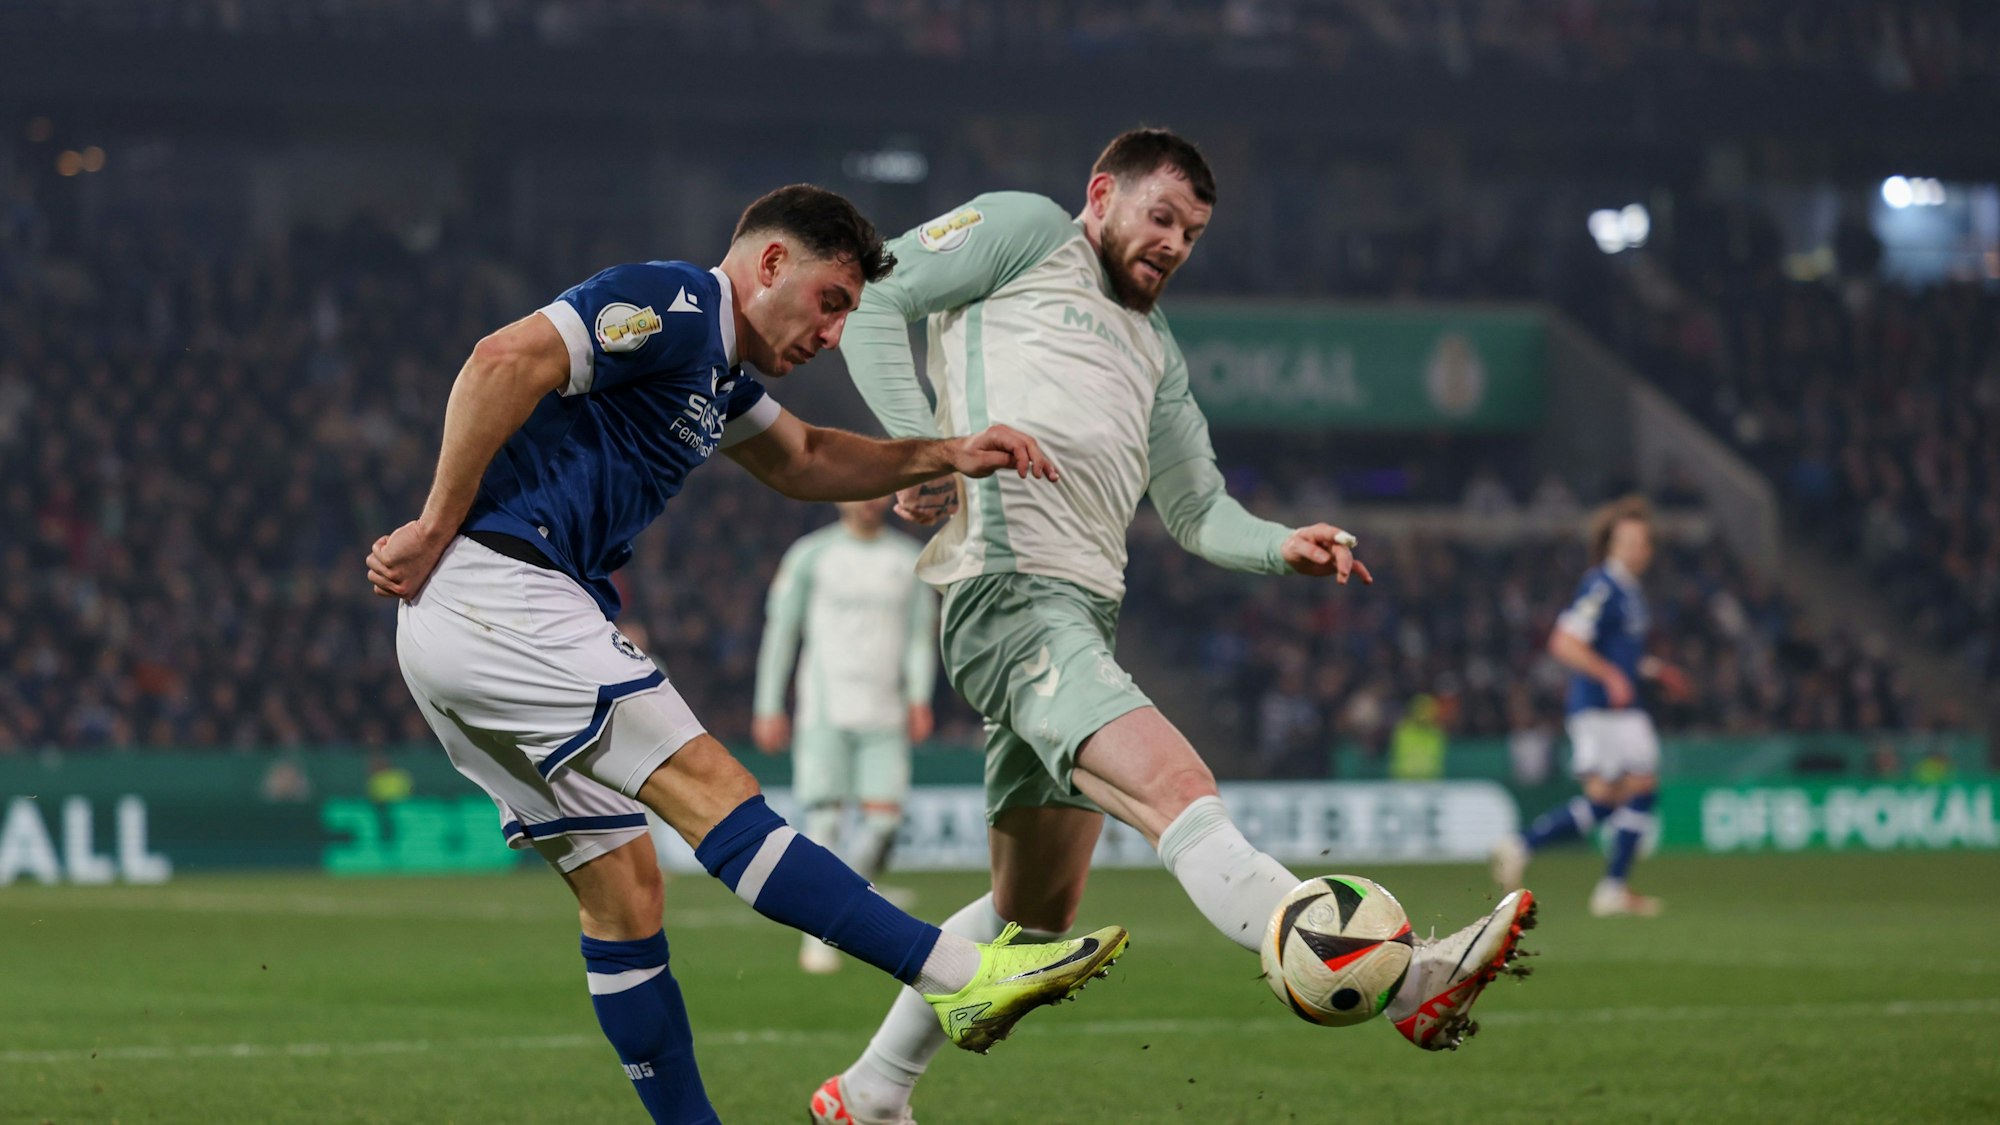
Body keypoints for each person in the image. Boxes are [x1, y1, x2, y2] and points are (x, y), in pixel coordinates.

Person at [809, 130, 1534, 1125]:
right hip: (1012, 591)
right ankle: (1408, 983)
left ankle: (868, 1092)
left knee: (1029, 916)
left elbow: (1197, 513)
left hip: (1079, 615)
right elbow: (875, 296)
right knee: (1180, 792)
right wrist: (920, 449)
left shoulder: (1156, 352)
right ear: (1101, 195)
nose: (1174, 244)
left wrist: (1283, 544)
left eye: (1191, 233)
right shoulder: (1025, 234)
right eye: (1160, 218)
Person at [367, 184, 1128, 1125]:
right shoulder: (679, 305)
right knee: (713, 791)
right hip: (502, 587)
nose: (835, 334)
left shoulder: (718, 374)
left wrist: (947, 453)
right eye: (832, 301)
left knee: (626, 896)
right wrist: (434, 526)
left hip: (462, 630)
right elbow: (502, 357)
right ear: (771, 265)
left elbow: (806, 458)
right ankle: (959, 972)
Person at [753, 496, 938, 973]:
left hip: (885, 713)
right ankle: (822, 934)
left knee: (884, 825)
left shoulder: (906, 560)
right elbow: (782, 632)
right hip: (824, 712)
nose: (870, 499)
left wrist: (920, 695)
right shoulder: (811, 555)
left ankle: (843, 909)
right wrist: (769, 704)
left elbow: (920, 634)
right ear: (840, 495)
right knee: (826, 823)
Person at [1492, 496, 1690, 916]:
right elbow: (1564, 642)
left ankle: (1524, 845)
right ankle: (1611, 888)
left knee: (1609, 798)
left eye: (1644, 541)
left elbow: (1618, 654)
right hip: (1604, 709)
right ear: (1611, 546)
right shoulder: (1602, 584)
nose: (1641, 549)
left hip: (1611, 708)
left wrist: (1652, 670)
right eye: (1631, 541)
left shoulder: (1628, 591)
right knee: (1639, 787)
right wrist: (1612, 677)